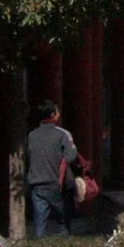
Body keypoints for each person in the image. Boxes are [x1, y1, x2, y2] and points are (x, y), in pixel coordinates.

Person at [24, 102, 78, 238]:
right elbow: (71, 156)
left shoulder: (32, 135)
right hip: (57, 185)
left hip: (36, 185)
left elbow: (28, 157)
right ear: (53, 115)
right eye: (57, 112)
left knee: (40, 225)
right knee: (63, 224)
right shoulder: (62, 134)